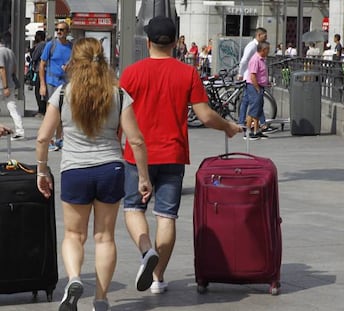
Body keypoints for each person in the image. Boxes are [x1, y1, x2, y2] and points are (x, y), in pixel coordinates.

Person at [119, 16, 242, 295]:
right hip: (173, 154)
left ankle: (146, 250)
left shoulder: (131, 74)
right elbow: (205, 115)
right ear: (175, 43)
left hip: (136, 155)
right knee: (166, 217)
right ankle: (158, 278)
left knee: (133, 209)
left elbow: (118, 115)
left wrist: (116, 144)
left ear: (147, 42)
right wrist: (228, 127)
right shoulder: (187, 74)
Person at [36, 37, 152, 311]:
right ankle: (101, 300)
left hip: (75, 171)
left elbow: (43, 138)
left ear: (73, 62)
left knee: (74, 236)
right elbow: (135, 140)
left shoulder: (63, 94)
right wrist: (144, 177)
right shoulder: (118, 94)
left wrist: (42, 171)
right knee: (105, 237)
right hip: (110, 170)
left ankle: (75, 278)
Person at [39, 21, 72, 151]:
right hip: (51, 82)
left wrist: (70, 67)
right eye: (57, 29)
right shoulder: (50, 45)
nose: (59, 32)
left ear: (67, 32)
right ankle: (50, 139)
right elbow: (42, 64)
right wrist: (42, 84)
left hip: (66, 82)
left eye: (62, 30)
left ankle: (59, 139)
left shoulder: (72, 47)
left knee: (63, 112)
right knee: (51, 112)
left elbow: (76, 63)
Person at [237, 27, 277, 134]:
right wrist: (240, 73)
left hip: (254, 79)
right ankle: (251, 127)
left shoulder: (259, 50)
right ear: (259, 35)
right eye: (265, 35)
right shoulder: (252, 46)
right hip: (250, 78)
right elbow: (244, 60)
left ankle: (256, 126)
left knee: (252, 103)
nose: (266, 37)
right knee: (253, 104)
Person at [0, 32, 24, 141]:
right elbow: (14, 68)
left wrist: (5, 86)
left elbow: (2, 69)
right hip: (11, 84)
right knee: (13, 108)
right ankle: (20, 131)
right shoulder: (10, 52)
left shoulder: (0, 52)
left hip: (2, 86)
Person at [244, 41, 271, 140]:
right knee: (253, 109)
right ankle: (248, 131)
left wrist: (266, 82)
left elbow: (261, 74)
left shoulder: (262, 59)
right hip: (254, 86)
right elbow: (253, 75)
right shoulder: (255, 59)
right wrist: (257, 88)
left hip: (260, 86)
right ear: (263, 50)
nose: (269, 52)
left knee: (258, 109)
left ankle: (256, 130)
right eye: (268, 49)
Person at [30, 30, 47, 118]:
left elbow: (34, 57)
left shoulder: (40, 45)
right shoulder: (46, 44)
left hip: (40, 70)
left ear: (39, 37)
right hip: (45, 71)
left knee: (38, 91)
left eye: (36, 36)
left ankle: (41, 110)